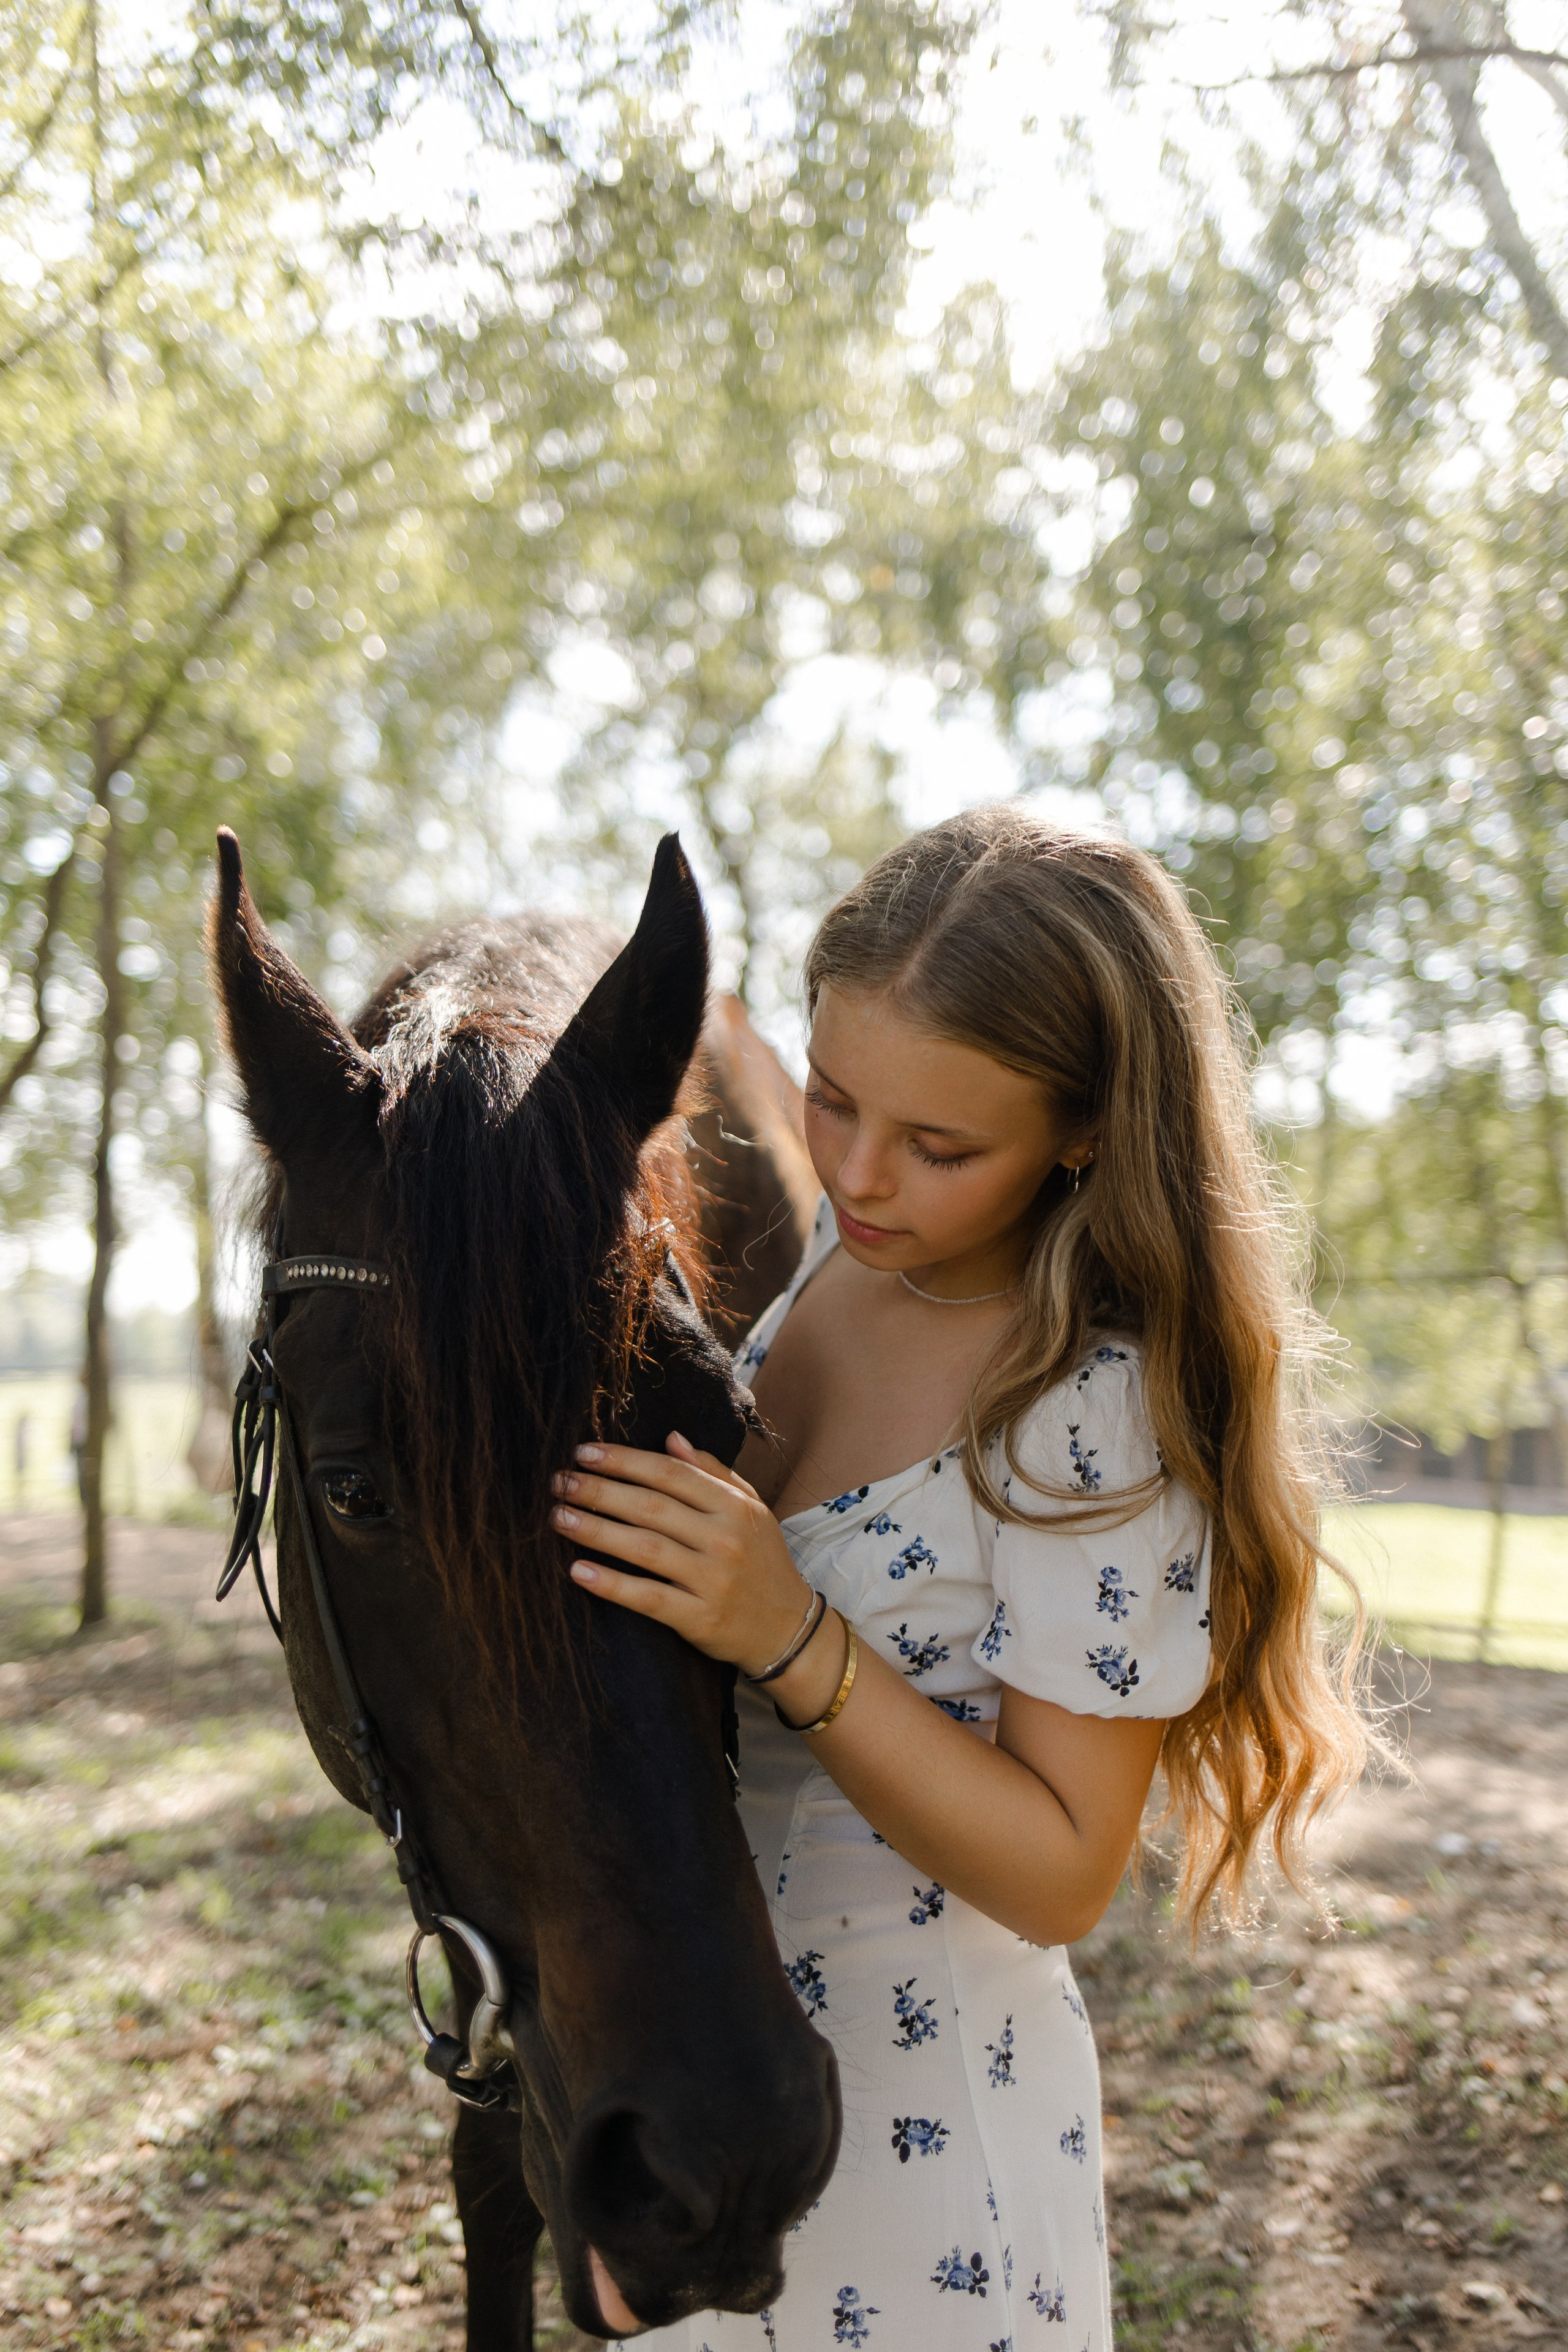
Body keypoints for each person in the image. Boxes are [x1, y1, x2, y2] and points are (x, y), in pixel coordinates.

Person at [551, 808, 1373, 2349]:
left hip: (918, 2159)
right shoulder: (836, 1265)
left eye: (940, 1146)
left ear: (1082, 1130)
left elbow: (1063, 1872)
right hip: (711, 2078)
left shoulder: (1093, 1411)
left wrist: (790, 1632)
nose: (859, 1171)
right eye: (835, 1096)